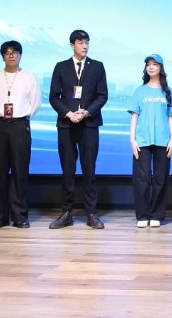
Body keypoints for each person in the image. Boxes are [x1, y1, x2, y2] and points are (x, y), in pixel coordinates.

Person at [48, 29, 109, 230]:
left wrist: (86, 112)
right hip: (66, 124)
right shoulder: (61, 67)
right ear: (72, 45)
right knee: (68, 169)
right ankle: (66, 213)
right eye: (81, 42)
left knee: (89, 169)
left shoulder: (97, 66)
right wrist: (69, 113)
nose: (85, 46)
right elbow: (54, 97)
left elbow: (102, 95)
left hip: (89, 123)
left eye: (87, 42)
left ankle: (91, 213)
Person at [0, 40, 42, 229]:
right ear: (2, 56)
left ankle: (20, 216)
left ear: (20, 55)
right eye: (7, 52)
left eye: (15, 52)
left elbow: (35, 103)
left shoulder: (29, 77)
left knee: (20, 172)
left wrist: (22, 117)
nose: (11, 55)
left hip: (20, 125)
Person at [128, 54, 172, 228]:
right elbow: (134, 116)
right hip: (142, 140)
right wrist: (132, 139)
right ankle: (142, 215)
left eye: (155, 64)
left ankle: (156, 214)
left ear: (161, 68)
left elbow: (171, 117)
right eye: (148, 64)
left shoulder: (168, 92)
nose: (151, 67)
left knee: (160, 178)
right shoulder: (139, 91)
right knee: (141, 179)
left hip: (163, 140)